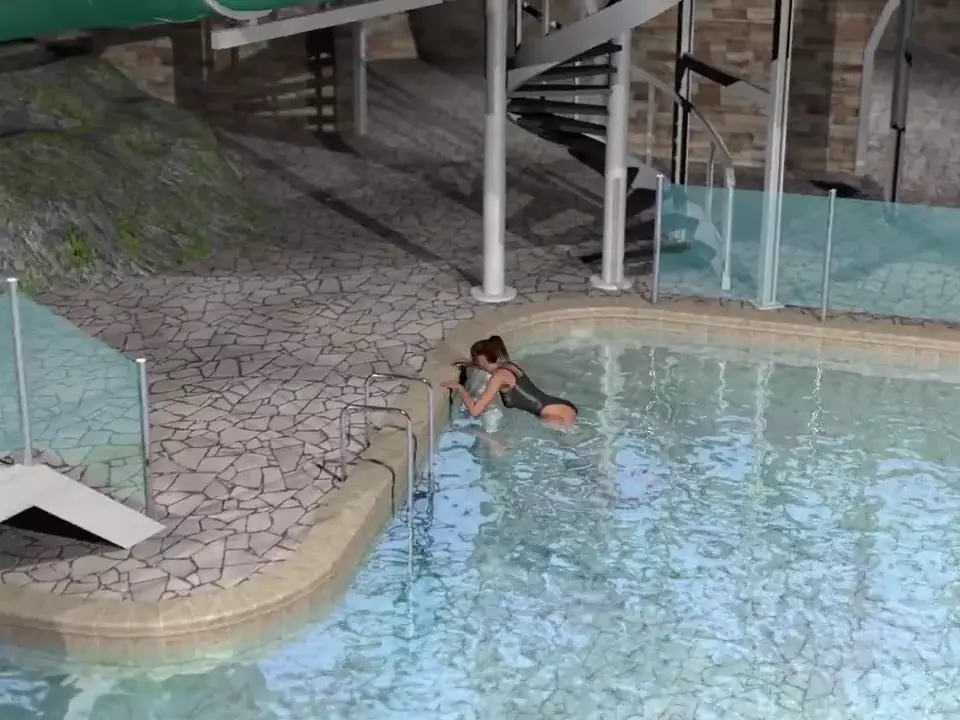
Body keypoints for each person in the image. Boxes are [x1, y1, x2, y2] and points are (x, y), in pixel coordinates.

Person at [443, 336, 579, 428]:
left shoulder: (498, 378)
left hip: (555, 416)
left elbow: (475, 411)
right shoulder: (508, 365)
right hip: (561, 406)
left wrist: (460, 388)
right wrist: (468, 364)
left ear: (482, 360)